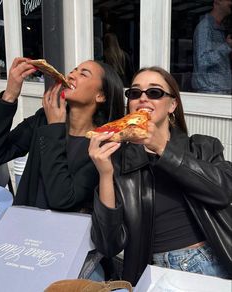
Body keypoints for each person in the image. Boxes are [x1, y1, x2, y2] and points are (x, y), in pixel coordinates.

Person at [88, 66, 232, 286]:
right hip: (151, 273)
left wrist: (162, 148)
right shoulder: (118, 160)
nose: (143, 98)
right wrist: (105, 173)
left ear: (172, 105)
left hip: (203, 264)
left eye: (154, 93)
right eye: (135, 93)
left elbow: (222, 192)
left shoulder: (203, 146)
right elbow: (109, 244)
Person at [0, 57, 124, 211]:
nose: (71, 75)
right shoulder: (44, 119)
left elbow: (62, 199)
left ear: (101, 95)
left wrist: (55, 128)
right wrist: (10, 95)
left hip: (64, 232)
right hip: (24, 226)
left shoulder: (102, 145)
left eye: (83, 74)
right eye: (73, 71)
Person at [192, 0, 232, 94]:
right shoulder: (205, 27)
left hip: (220, 89)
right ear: (217, 2)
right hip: (211, 91)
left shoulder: (219, 28)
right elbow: (202, 61)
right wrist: (227, 46)